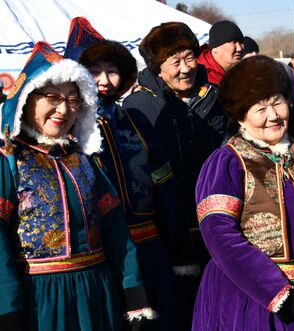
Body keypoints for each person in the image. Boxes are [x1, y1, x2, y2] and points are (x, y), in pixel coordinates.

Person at [0, 42, 154, 331]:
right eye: (52, 97)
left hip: (97, 292)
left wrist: (133, 292)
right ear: (27, 99)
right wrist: (7, 308)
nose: (64, 109)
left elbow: (116, 230)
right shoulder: (9, 160)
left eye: (73, 99)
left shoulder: (83, 159)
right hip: (40, 300)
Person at [192, 55, 294, 330]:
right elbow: (219, 233)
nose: (274, 116)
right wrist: (275, 292)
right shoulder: (227, 163)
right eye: (260, 108)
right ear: (241, 116)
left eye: (278, 102)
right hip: (248, 299)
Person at [63, 17, 180, 330]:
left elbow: (163, 182)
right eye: (94, 70)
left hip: (148, 243)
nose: (104, 79)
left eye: (111, 70)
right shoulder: (66, 131)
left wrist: (173, 240)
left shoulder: (134, 121)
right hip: (101, 252)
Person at [123, 21, 227, 328]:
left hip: (215, 215)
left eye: (190, 58)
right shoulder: (138, 105)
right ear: (157, 67)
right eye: (175, 62)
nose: (185, 68)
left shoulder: (216, 97)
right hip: (165, 224)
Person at [197, 20, 244, 86]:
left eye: (241, 42)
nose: (239, 48)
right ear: (215, 48)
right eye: (232, 42)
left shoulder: (243, 73)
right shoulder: (200, 77)